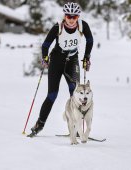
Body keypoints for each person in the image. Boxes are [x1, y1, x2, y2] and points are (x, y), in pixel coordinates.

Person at [28, 2, 94, 137]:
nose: (71, 19)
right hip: (57, 60)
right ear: (64, 16)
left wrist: (86, 57)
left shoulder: (83, 25)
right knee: (52, 94)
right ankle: (39, 124)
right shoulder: (58, 27)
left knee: (75, 93)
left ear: (78, 17)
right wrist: (45, 57)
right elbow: (46, 44)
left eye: (74, 17)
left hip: (73, 60)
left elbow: (90, 40)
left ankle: (74, 127)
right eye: (69, 16)